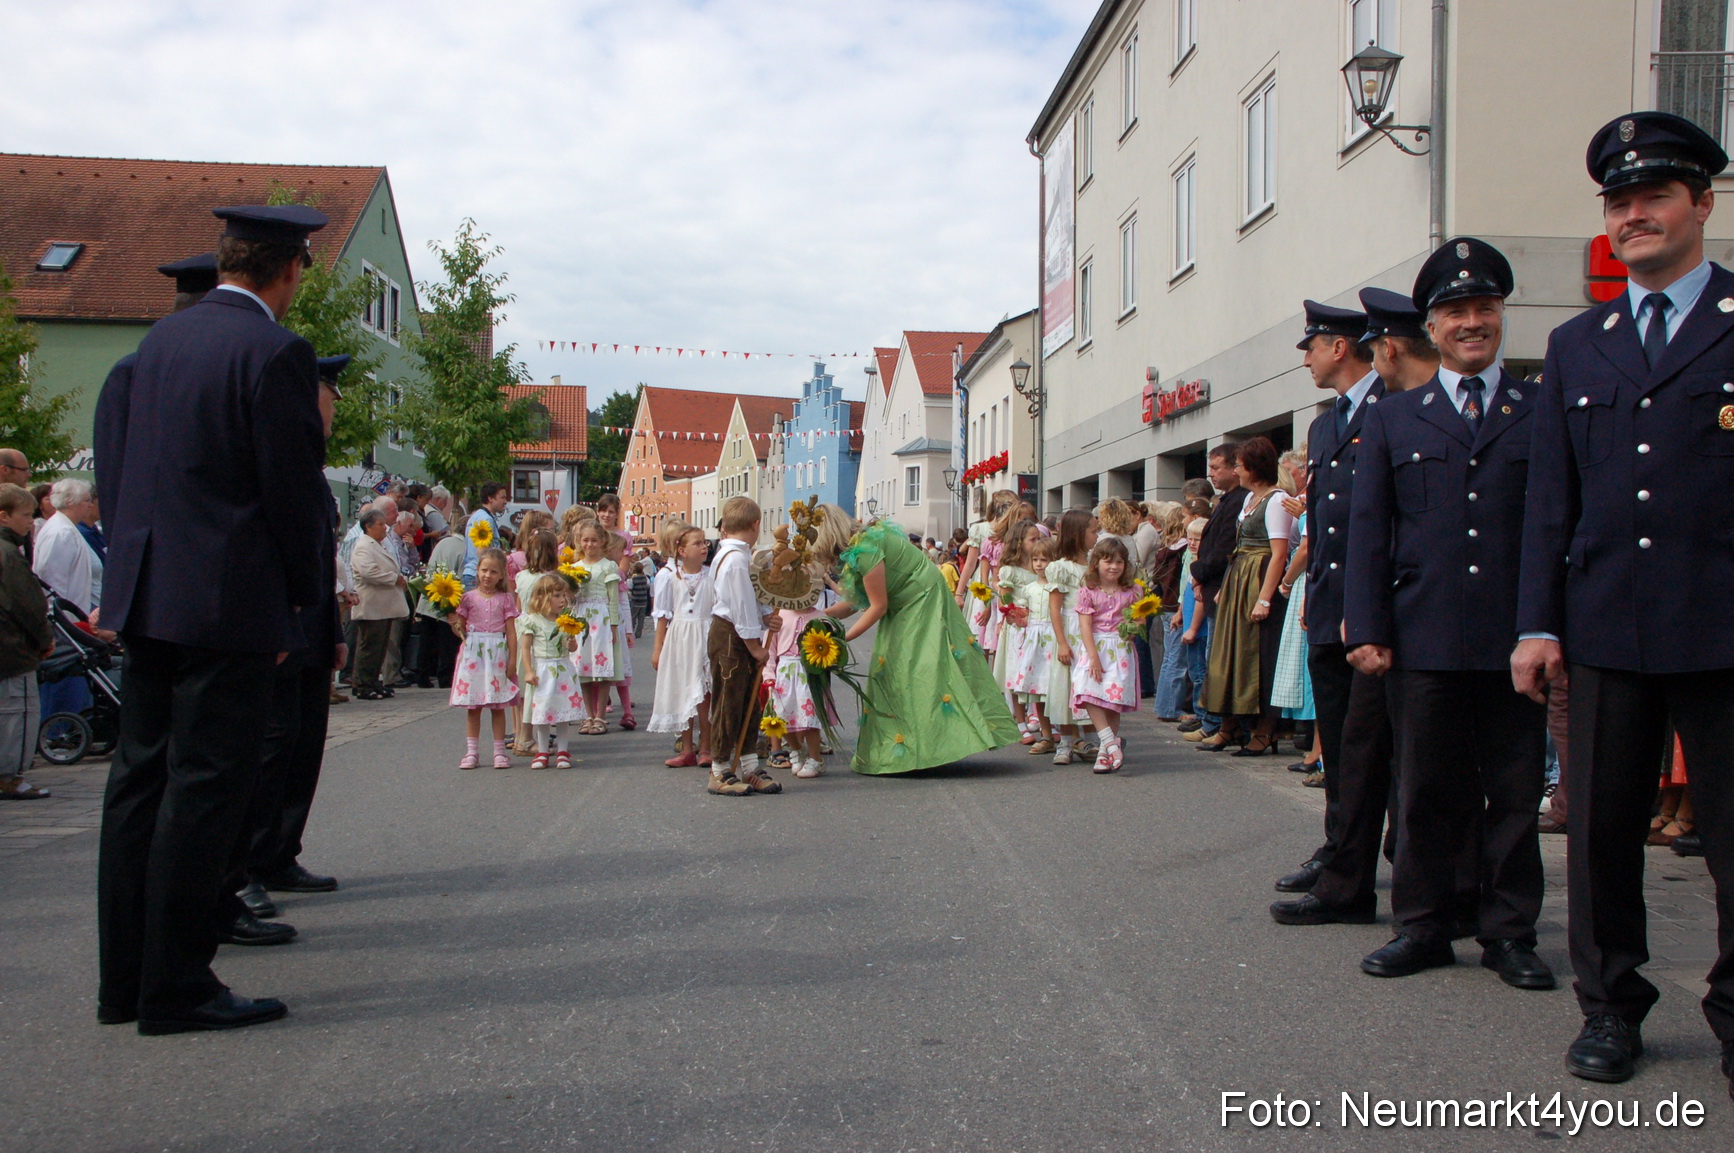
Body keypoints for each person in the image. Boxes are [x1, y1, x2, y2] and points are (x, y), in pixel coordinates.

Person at [1512, 111, 1734, 1094]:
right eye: (1618, 201)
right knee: (1601, 836)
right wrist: (1536, 620)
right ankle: (1611, 1007)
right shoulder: (1577, 344)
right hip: (1605, 628)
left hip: (1723, 628)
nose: (1632, 214)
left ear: (1702, 204)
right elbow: (1549, 497)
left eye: (1653, 195)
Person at [94, 203, 331, 1035]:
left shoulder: (158, 345)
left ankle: (124, 980)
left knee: (137, 785)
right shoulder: (273, 351)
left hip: (149, 593)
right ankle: (180, 983)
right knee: (203, 793)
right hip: (225, 602)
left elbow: (120, 469)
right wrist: (301, 602)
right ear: (290, 268)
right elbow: (293, 493)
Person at [1343, 237, 1551, 991]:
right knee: (1424, 788)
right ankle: (1423, 925)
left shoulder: (1540, 406)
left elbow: (1553, 525)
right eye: (1456, 311)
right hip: (1422, 633)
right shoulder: (1397, 419)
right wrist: (1365, 626)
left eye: (1484, 309)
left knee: (1515, 793)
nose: (1472, 322)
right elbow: (1370, 530)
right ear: (1431, 327)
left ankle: (1508, 931)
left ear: (1501, 317)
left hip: (1513, 638)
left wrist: (1549, 626)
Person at [1269, 298, 1387, 900]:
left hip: (1371, 606)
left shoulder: (1391, 404)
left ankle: (1374, 853)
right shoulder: (1324, 422)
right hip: (1330, 598)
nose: (1308, 360)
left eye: (1311, 347)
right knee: (1340, 742)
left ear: (1340, 347)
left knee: (1376, 745)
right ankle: (1341, 848)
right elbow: (1324, 515)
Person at [235, 354, 348, 916]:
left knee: (303, 748)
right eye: (331, 398)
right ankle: (247, 866)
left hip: (309, 632)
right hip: (277, 631)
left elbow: (319, 563)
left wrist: (331, 633)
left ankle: (280, 852)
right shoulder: (277, 462)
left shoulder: (311, 468)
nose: (335, 411)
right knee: (271, 750)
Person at [815, 503, 1019, 775]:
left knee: (915, 669)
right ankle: (920, 747)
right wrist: (815, 618)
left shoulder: (864, 551)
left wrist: (840, 640)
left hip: (921, 599)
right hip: (907, 601)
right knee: (900, 670)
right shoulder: (862, 545)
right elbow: (855, 603)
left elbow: (877, 607)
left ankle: (926, 747)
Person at [1199, 437, 1291, 756]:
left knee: (1257, 655)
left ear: (1253, 467)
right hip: (1240, 576)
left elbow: (1278, 553)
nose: (1236, 470)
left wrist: (1265, 598)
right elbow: (1239, 548)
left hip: (1258, 577)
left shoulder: (1276, 500)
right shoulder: (1251, 498)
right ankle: (1230, 724)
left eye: (1239, 465)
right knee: (1231, 652)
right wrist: (1227, 585)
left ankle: (1265, 730)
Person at [706, 497, 777, 796]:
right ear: (755, 524)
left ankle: (748, 762)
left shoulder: (740, 556)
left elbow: (751, 598)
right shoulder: (734, 560)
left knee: (750, 699)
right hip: (732, 636)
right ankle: (720, 768)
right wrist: (755, 645)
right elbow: (740, 607)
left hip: (739, 633)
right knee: (729, 703)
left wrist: (766, 617)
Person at [1183, 446, 1247, 744]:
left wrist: (1198, 571)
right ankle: (1214, 720)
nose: (1212, 474)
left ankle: (1218, 722)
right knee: (1210, 661)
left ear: (1235, 468)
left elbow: (1224, 549)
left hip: (1222, 587)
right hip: (1210, 588)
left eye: (1217, 468)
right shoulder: (1225, 501)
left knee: (1216, 661)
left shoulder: (1238, 501)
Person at [754, 531, 830, 779]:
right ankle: (795, 751)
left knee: (809, 719)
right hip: (784, 672)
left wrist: (825, 668)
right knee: (781, 717)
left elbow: (830, 647)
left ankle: (815, 758)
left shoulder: (820, 617)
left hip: (808, 672)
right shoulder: (781, 615)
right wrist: (768, 673)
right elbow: (771, 648)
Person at [1070, 537, 1142, 773]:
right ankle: (1111, 742)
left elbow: (1140, 619)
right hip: (1096, 646)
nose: (1113, 567)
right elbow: (1085, 626)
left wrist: (1134, 626)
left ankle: (1104, 752)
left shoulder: (1133, 591)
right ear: (1096, 564)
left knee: (1113, 700)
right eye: (1108, 561)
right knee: (1087, 691)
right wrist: (1093, 657)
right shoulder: (1088, 592)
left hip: (1120, 648)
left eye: (1119, 562)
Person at [0, 484, 52, 801]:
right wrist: (44, 638)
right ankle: (10, 776)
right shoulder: (7, 555)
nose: (30, 522)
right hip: (12, 649)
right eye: (24, 516)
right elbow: (28, 606)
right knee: (17, 713)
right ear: (3, 516)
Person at [450, 548, 520, 769]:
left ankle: (499, 751)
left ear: (501, 575)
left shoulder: (506, 599)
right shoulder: (467, 598)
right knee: (474, 705)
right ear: (477, 571)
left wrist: (512, 660)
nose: (487, 575)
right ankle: (472, 751)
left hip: (496, 652)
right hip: (474, 654)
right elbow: (460, 627)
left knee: (497, 705)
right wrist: (456, 624)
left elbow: (511, 632)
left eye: (493, 572)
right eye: (484, 570)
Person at [649, 525, 713, 768]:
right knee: (682, 693)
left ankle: (706, 747)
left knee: (705, 695)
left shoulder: (711, 575)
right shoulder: (670, 577)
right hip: (680, 638)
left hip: (704, 635)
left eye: (705, 542)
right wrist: (658, 648)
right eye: (698, 543)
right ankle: (687, 748)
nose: (704, 546)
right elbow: (663, 615)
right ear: (682, 551)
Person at [1043, 510, 1097, 765]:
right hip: (1070, 629)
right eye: (1093, 531)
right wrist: (1062, 642)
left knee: (1086, 684)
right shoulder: (1061, 568)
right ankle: (1064, 741)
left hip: (1090, 631)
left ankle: (1086, 735)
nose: (1097, 536)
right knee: (1064, 683)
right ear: (1078, 534)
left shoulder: (1094, 565)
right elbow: (1054, 607)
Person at [517, 573, 586, 769]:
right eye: (557, 596)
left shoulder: (565, 620)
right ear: (543, 597)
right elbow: (526, 648)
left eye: (563, 595)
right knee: (542, 713)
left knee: (561, 713)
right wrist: (529, 671)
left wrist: (572, 641)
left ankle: (563, 750)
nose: (562, 600)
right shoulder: (532, 620)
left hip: (562, 669)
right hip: (543, 671)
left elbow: (571, 649)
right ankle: (542, 750)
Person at [992, 519, 1043, 746]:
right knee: (1016, 673)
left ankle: (1038, 715)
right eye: (1033, 539)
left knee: (1036, 671)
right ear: (1019, 542)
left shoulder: (1041, 567)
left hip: (1038, 626)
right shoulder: (1010, 570)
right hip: (1018, 628)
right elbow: (1005, 599)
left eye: (1039, 538)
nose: (1037, 542)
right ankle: (1020, 721)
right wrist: (1014, 616)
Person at [348, 509, 407, 700]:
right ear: (368, 526)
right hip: (371, 605)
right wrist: (393, 578)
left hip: (383, 606)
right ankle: (362, 683)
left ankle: (373, 681)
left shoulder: (377, 545)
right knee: (370, 646)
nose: (385, 528)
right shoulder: (364, 545)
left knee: (380, 646)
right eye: (381, 524)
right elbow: (368, 572)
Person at [568, 521, 620, 732]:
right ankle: (587, 714)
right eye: (586, 540)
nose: (590, 544)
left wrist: (614, 625)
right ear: (579, 542)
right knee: (583, 668)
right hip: (581, 618)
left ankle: (600, 715)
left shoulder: (608, 566)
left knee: (602, 668)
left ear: (602, 541)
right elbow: (570, 601)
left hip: (601, 618)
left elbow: (613, 598)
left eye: (594, 540)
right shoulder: (574, 568)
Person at [463, 483, 511, 587]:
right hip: (479, 576)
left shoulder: (475, 516)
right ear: (490, 499)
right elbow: (482, 550)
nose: (505, 501)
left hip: (471, 572)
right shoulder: (486, 519)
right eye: (502, 497)